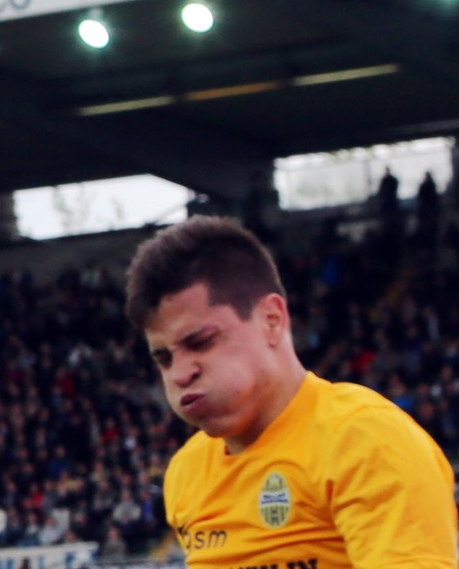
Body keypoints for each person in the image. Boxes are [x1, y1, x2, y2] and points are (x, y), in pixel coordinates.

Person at [125, 215, 457, 569]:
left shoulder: (364, 441)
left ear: (271, 319)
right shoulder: (186, 473)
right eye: (163, 358)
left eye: (201, 342)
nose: (179, 373)